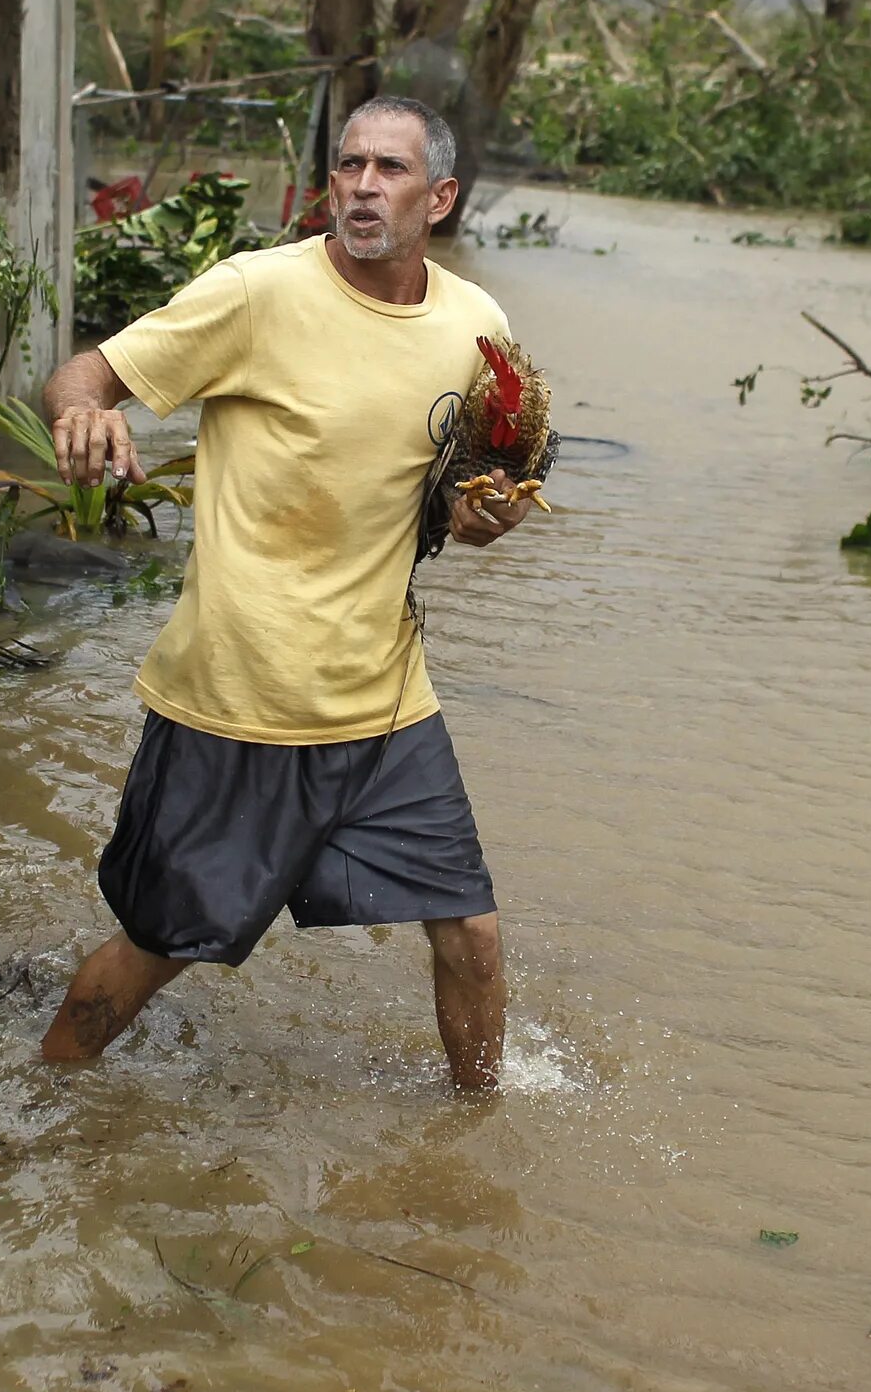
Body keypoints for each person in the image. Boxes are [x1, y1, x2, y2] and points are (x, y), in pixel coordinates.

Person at [37, 96, 538, 1090]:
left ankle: (477, 1134)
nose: (360, 185)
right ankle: (43, 1092)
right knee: (161, 943)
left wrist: (496, 508)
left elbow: (492, 473)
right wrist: (85, 416)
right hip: (239, 696)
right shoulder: (256, 293)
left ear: (438, 196)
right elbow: (86, 373)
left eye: (389, 169)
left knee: (471, 932)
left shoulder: (477, 326)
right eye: (348, 163)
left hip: (385, 698)